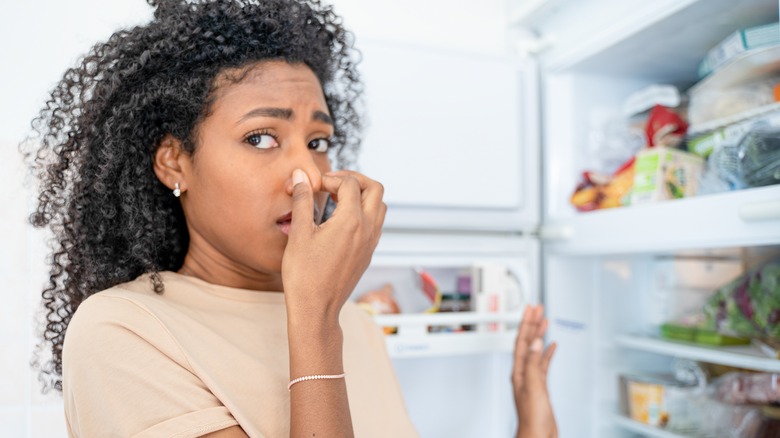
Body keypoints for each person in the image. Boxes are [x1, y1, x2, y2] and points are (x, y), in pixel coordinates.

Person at [23, 0, 558, 436]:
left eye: (319, 142)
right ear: (174, 161)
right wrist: (316, 319)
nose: (308, 175)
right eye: (260, 138)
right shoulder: (123, 330)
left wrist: (533, 427)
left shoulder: (358, 325)